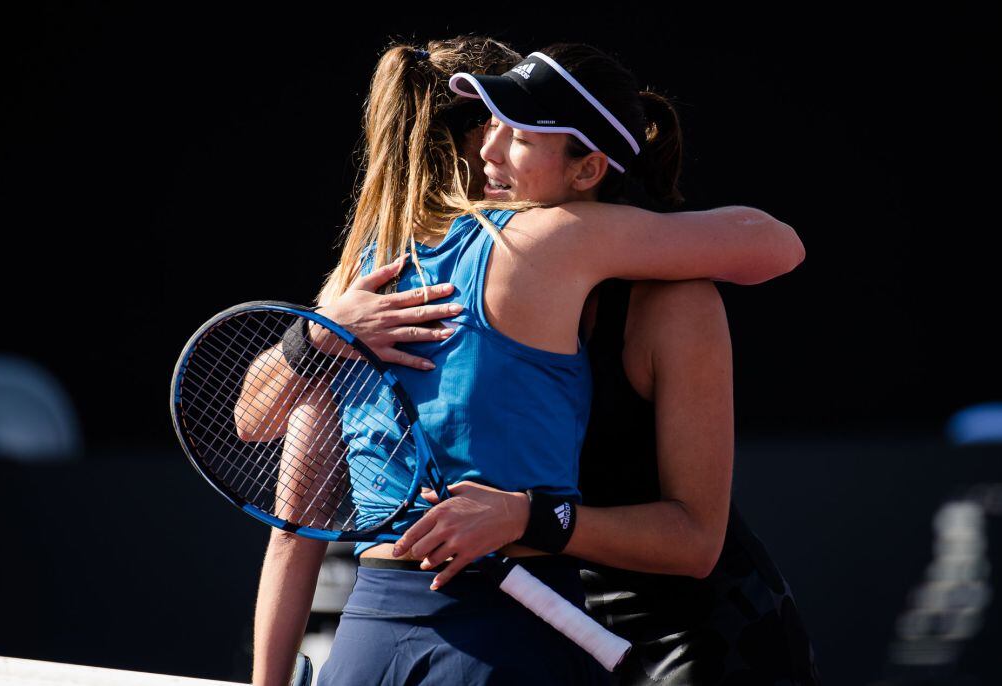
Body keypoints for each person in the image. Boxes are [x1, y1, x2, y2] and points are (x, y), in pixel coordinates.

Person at [248, 39, 804, 686]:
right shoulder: (386, 287)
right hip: (557, 621)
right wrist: (318, 335)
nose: (490, 150)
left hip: (700, 644)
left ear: (589, 170)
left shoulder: (647, 288)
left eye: (516, 132)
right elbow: (258, 429)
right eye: (488, 124)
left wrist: (528, 517)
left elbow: (695, 542)